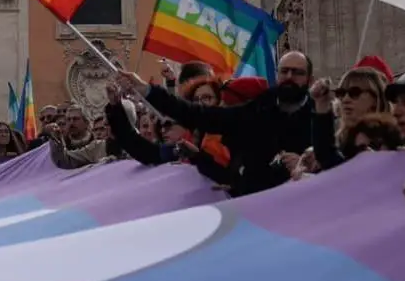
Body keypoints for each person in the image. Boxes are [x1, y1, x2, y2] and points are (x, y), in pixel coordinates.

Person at [122, 50, 315, 195]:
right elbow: (197, 114)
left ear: (309, 79)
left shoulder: (323, 115)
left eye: (297, 73)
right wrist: (148, 91)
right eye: (285, 71)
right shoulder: (259, 109)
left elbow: (338, 163)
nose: (289, 77)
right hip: (256, 211)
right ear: (277, 75)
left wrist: (310, 164)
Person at [307, 68, 387, 171]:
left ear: (375, 99)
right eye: (341, 93)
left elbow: (337, 165)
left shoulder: (388, 142)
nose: (345, 99)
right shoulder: (341, 140)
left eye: (354, 93)